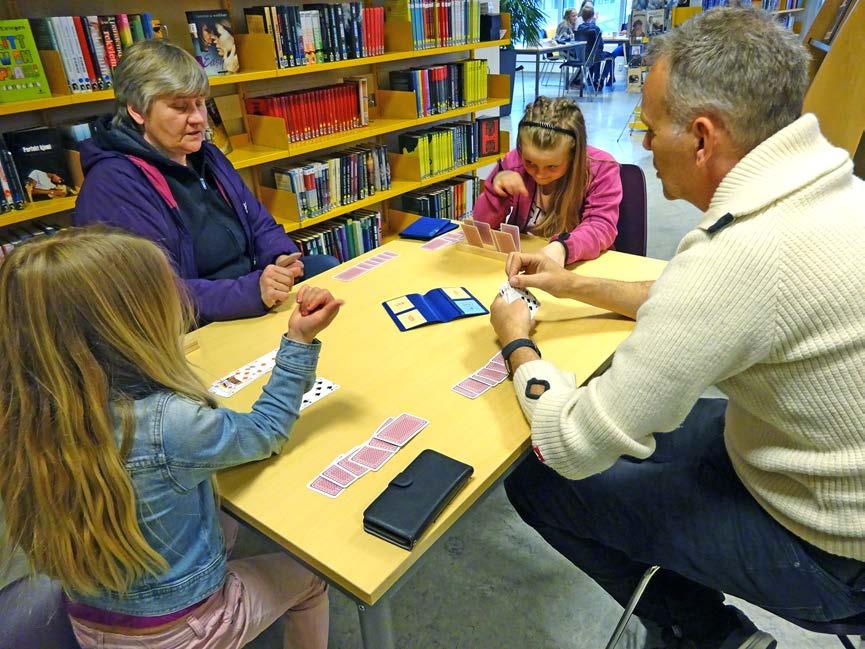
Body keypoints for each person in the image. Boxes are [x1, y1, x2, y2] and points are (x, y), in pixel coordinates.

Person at [492, 8, 865, 649]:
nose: (641, 140)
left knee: (539, 477)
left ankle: (708, 633)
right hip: (805, 469)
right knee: (660, 436)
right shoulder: (829, 187)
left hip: (832, 552)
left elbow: (575, 442)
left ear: (700, 137)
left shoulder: (737, 252)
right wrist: (570, 282)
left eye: (650, 123)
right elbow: (683, 300)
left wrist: (517, 342)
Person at [0, 228, 342, 649]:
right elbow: (266, 431)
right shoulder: (171, 425)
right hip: (179, 630)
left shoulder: (21, 414)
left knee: (222, 512)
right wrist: (299, 340)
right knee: (310, 580)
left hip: (90, 618)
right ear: (130, 326)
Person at [74, 39, 339, 325]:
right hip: (197, 316)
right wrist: (251, 291)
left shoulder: (206, 154)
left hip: (249, 287)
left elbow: (259, 222)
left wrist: (280, 256)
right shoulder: (113, 184)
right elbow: (150, 294)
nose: (199, 119)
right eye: (180, 107)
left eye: (200, 103)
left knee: (327, 270)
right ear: (137, 111)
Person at [473, 96, 621, 266]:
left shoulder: (602, 169)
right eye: (530, 163)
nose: (540, 174)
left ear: (574, 156)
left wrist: (563, 248)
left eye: (552, 166)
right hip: (523, 262)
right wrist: (496, 193)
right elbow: (482, 227)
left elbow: (601, 227)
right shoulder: (515, 162)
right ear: (521, 151)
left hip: (578, 265)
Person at [576, 6, 615, 88]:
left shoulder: (579, 28)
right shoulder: (596, 28)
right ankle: (602, 79)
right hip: (595, 56)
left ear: (582, 16)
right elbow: (600, 45)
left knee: (594, 54)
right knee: (611, 56)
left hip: (583, 57)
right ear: (593, 15)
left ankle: (591, 80)